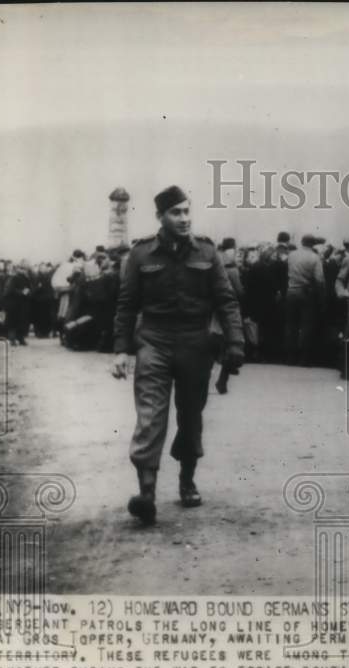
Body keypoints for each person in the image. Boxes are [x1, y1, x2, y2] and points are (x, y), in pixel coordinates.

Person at [112, 185, 244, 524]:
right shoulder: (141, 255)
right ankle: (147, 492)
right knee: (150, 414)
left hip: (194, 342)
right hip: (154, 340)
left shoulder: (207, 252)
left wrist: (235, 342)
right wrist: (120, 351)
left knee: (191, 414)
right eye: (176, 213)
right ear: (161, 217)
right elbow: (126, 306)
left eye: (187, 211)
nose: (184, 219)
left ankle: (187, 480)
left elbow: (226, 301)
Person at [284, 234, 326, 366]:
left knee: (291, 325)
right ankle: (303, 358)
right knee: (306, 325)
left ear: (302, 242)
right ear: (312, 244)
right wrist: (321, 296)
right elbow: (319, 280)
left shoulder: (292, 255)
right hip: (306, 292)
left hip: (291, 291)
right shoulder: (315, 258)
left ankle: (290, 357)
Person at [215, 237, 245, 394]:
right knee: (230, 345)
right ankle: (222, 380)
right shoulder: (232, 268)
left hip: (212, 312)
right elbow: (239, 291)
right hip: (227, 311)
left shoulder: (214, 258)